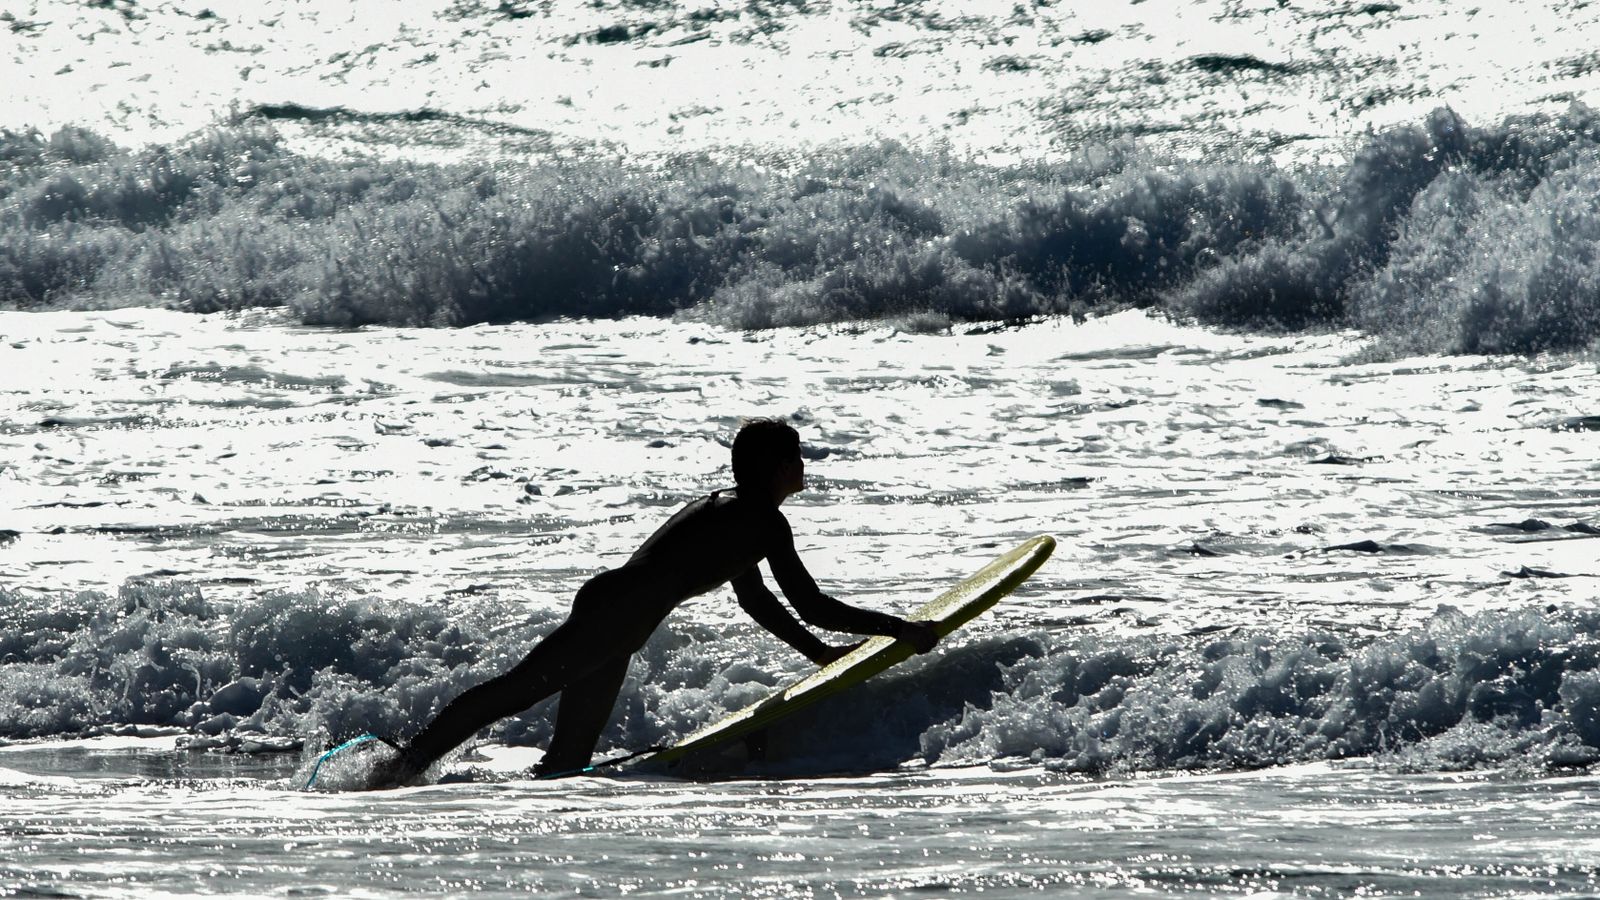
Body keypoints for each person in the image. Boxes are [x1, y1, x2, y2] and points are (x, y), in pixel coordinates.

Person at [374, 418, 938, 786]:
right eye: (796, 456)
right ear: (776, 469)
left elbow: (757, 600)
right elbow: (811, 602)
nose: (804, 466)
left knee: (569, 756)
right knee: (512, 694)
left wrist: (818, 655)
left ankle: (519, 790)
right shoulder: (762, 519)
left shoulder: (732, 513)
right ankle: (401, 767)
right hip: (618, 614)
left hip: (618, 613)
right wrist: (905, 629)